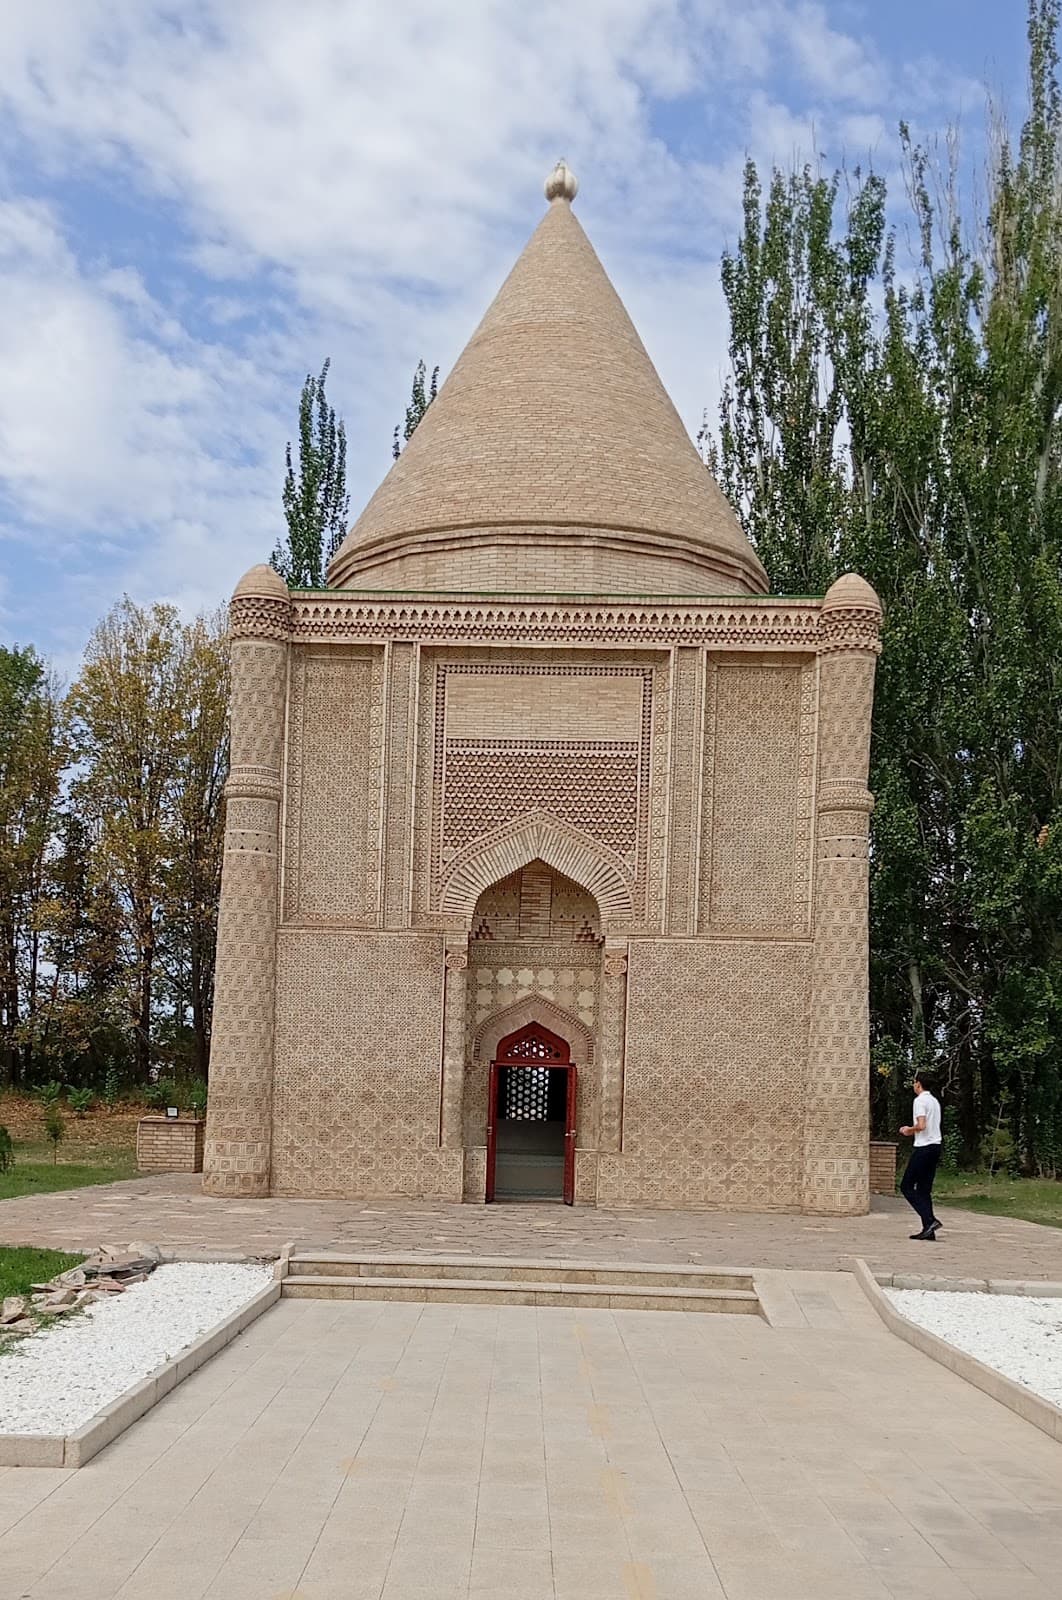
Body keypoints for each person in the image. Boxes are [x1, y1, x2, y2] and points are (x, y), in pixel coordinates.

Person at [899, 1074, 943, 1240]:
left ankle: (930, 1220)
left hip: (924, 1147)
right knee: (924, 1190)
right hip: (936, 1146)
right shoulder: (934, 1101)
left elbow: (922, 1125)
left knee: (907, 1186)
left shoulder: (919, 1101)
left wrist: (908, 1130)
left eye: (914, 1082)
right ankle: (928, 1230)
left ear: (918, 1084)